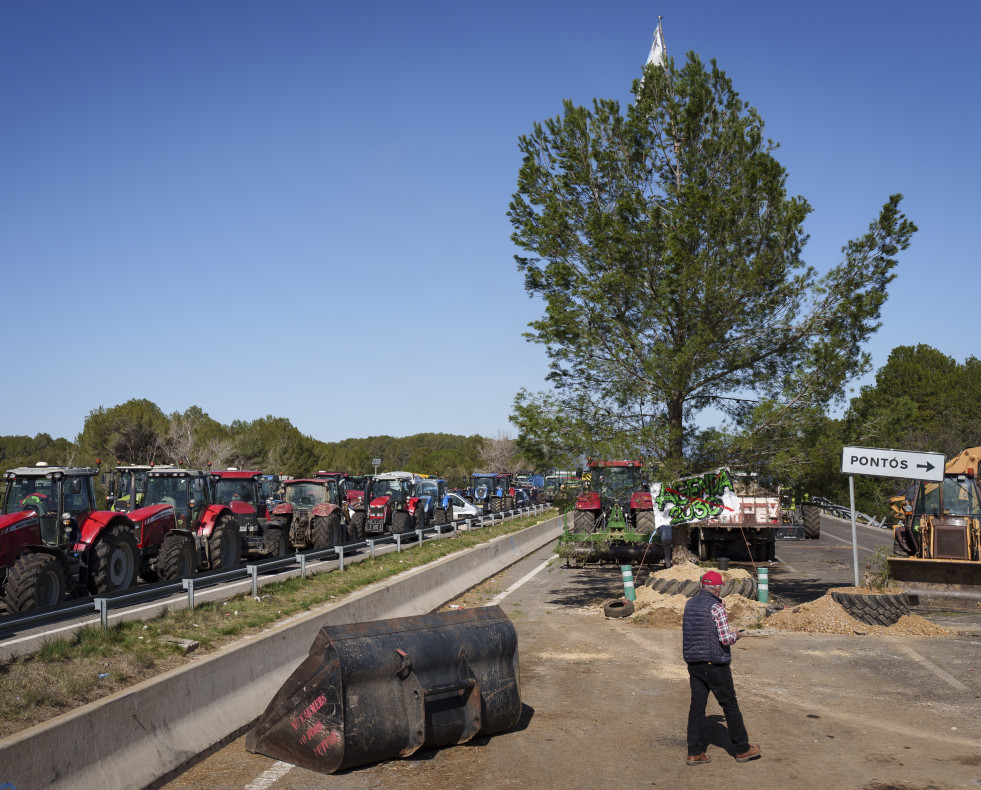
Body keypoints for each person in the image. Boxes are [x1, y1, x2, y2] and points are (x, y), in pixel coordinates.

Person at [682, 570, 760, 766]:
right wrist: (737, 634)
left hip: (694, 663)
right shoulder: (716, 608)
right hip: (715, 663)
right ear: (717, 588)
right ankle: (742, 749)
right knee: (730, 705)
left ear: (702, 586)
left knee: (697, 708)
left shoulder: (690, 604)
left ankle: (695, 752)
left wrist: (718, 604)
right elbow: (725, 638)